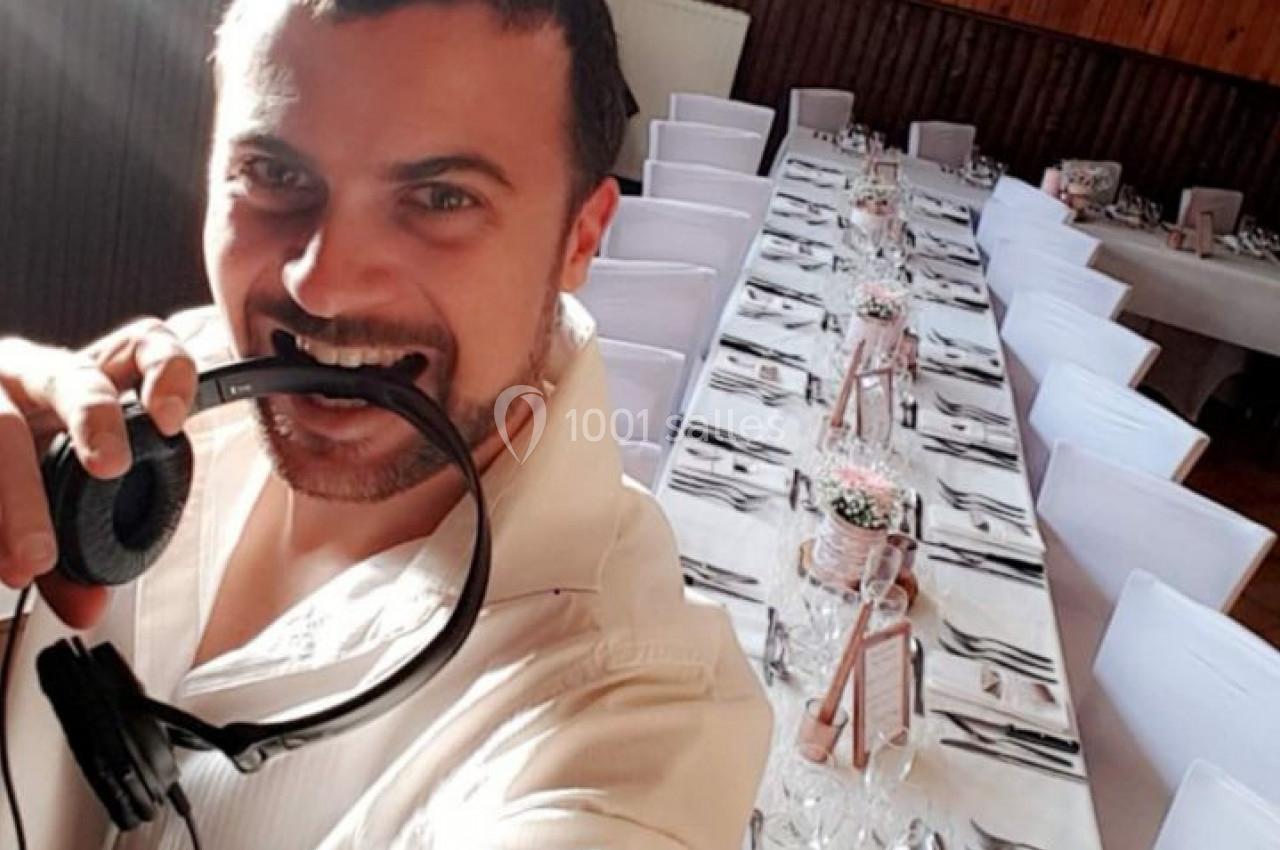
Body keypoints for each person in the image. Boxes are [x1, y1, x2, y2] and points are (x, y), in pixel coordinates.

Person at [0, 1, 771, 847]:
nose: (323, 286)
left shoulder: (633, 715)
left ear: (579, 238)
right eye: (276, 176)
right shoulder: (152, 398)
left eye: (441, 197)